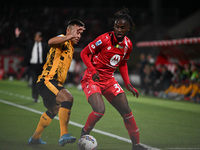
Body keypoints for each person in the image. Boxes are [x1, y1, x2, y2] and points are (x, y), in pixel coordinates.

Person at [80, 8, 147, 150]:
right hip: (92, 78)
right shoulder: (104, 39)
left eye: (122, 27)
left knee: (127, 112)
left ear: (128, 29)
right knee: (99, 110)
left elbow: (122, 64)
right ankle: (84, 133)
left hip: (109, 80)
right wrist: (92, 71)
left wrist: (127, 84)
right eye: (116, 26)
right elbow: (85, 53)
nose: (119, 29)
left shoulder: (128, 45)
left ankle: (136, 145)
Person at [28, 19, 85, 146]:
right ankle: (63, 135)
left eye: (80, 34)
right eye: (76, 32)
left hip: (54, 83)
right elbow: (50, 42)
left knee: (54, 110)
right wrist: (69, 36)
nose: (78, 36)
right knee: (68, 98)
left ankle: (35, 138)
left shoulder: (70, 47)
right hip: (47, 80)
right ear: (68, 31)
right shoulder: (62, 39)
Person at [15, 28, 49, 102]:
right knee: (34, 81)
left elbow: (52, 51)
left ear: (41, 38)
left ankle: (39, 96)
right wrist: (17, 36)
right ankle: (35, 97)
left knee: (40, 83)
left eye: (38, 37)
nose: (36, 38)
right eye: (35, 37)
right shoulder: (30, 44)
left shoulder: (45, 46)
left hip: (41, 67)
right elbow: (20, 44)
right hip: (32, 66)